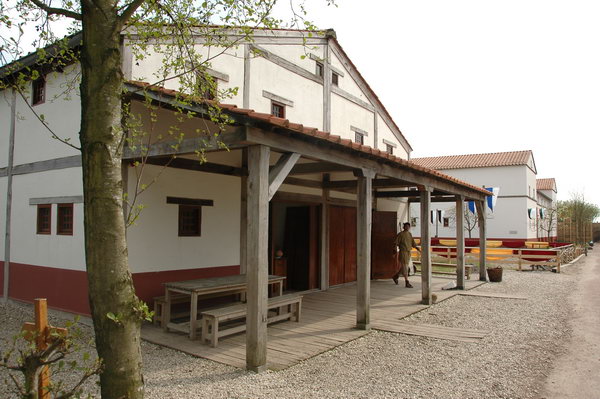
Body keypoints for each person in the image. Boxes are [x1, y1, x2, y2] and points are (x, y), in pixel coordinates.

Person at [393, 222, 421, 288]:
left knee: (404, 266)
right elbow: (396, 243)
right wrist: (394, 251)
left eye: (408, 226)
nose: (407, 227)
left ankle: (395, 276)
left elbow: (413, 243)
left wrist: (417, 248)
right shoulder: (400, 234)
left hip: (408, 252)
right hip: (403, 251)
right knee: (405, 266)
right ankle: (407, 282)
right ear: (404, 227)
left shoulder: (409, 234)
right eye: (406, 226)